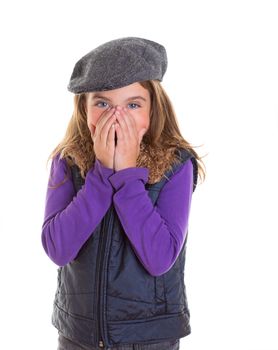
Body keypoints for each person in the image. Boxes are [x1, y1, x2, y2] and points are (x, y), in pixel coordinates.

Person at [41, 37, 206, 350]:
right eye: (102, 104)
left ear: (153, 108)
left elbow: (159, 258)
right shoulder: (68, 161)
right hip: (79, 335)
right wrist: (101, 176)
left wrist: (128, 177)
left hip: (149, 337)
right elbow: (58, 249)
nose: (116, 118)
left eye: (133, 105)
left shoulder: (176, 164)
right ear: (84, 108)